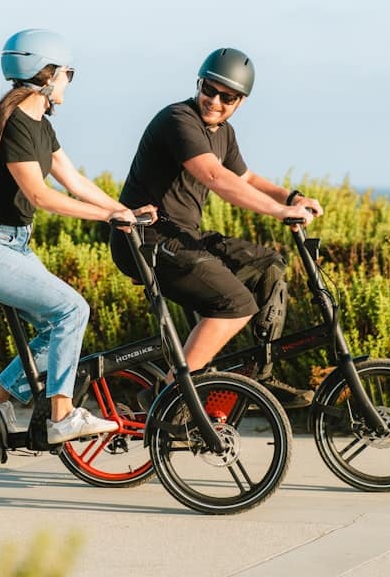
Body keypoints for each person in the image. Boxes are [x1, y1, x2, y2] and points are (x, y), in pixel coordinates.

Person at [0, 28, 155, 444]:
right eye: (68, 73)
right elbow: (40, 195)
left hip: (13, 245)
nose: (69, 82)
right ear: (46, 75)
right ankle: (61, 414)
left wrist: (123, 211)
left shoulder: (39, 124)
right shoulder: (14, 125)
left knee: (59, 323)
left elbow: (73, 179)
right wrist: (106, 217)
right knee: (71, 311)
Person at [109, 47, 322, 406]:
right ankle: (169, 397)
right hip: (145, 238)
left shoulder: (224, 132)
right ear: (199, 84)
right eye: (209, 90)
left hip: (182, 237)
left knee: (268, 266)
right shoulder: (179, 119)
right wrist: (277, 212)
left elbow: (245, 176)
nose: (215, 102)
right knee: (235, 304)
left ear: (241, 101)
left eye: (227, 97)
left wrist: (291, 198)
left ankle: (261, 375)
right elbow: (214, 175)